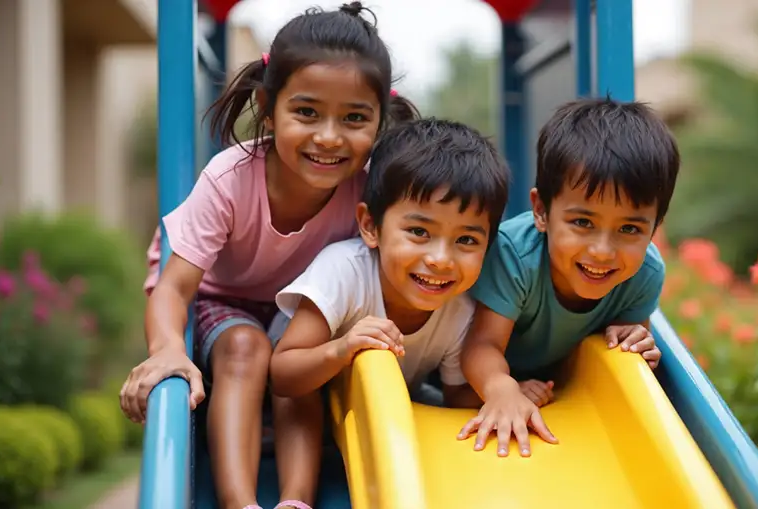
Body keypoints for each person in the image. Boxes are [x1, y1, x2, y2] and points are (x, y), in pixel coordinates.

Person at [118, 3, 419, 509]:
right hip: (224, 297)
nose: (328, 136)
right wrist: (168, 347)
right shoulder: (231, 178)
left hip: (302, 310)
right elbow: (173, 287)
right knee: (246, 347)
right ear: (267, 105)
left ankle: (295, 500)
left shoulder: (370, 189)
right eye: (306, 112)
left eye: (354, 119)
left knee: (297, 358)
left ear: (379, 122)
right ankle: (239, 501)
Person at [267, 118, 511, 505]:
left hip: (374, 419)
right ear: (370, 226)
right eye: (419, 232)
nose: (440, 259)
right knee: (301, 397)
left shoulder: (461, 311)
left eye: (466, 239)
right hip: (302, 393)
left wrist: (502, 396)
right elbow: (282, 374)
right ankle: (295, 497)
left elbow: (455, 396)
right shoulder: (343, 271)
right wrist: (342, 348)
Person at [456, 97, 680, 459]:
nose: (603, 251)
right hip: (472, 381)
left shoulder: (644, 273)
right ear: (541, 211)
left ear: (655, 227)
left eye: (629, 228)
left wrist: (637, 343)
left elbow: (618, 354)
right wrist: (503, 389)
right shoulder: (515, 256)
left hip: (554, 384)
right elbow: (482, 346)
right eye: (583, 223)